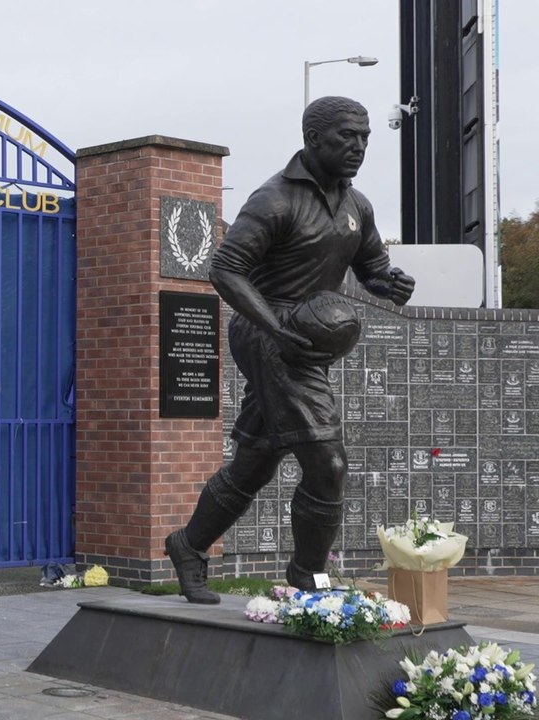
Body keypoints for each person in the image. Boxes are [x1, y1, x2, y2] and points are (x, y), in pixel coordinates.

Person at [165, 96, 416, 604]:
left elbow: (370, 269)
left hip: (306, 339)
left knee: (255, 461)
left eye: (366, 137)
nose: (360, 146)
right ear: (314, 139)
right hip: (267, 333)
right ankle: (307, 577)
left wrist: (390, 283)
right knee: (328, 464)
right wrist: (273, 329)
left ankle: (187, 545)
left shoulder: (357, 206)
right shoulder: (274, 199)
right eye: (349, 136)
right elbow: (225, 268)